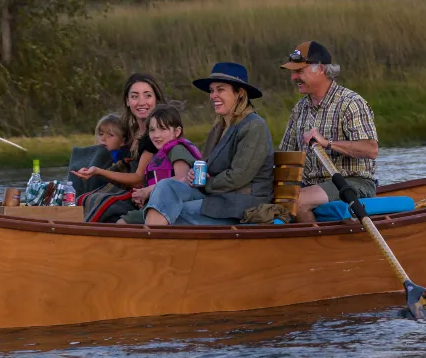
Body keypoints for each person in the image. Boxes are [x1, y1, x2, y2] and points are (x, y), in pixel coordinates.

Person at [142, 63, 273, 226]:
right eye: (211, 91)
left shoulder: (253, 126)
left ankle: (150, 244)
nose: (213, 95)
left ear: (239, 93)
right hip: (217, 197)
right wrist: (194, 174)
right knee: (166, 186)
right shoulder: (219, 128)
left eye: (220, 89)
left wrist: (204, 182)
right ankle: (151, 240)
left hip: (242, 204)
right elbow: (206, 166)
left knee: (172, 210)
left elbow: (238, 177)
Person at [277, 41, 379, 223]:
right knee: (272, 197)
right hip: (312, 185)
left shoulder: (350, 102)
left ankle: (317, 248)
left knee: (297, 201)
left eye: (299, 71)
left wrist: (326, 143)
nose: (293, 77)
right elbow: (286, 157)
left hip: (352, 183)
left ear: (321, 69)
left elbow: (371, 149)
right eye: (293, 72)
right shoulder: (300, 109)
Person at [76, 73, 167, 222]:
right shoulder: (130, 131)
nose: (141, 102)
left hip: (146, 193)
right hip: (125, 187)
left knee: (100, 202)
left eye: (148, 95)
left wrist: (99, 171)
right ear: (127, 101)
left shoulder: (158, 134)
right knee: (81, 196)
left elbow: (139, 179)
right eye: (135, 96)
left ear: (156, 99)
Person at [128, 106, 201, 207]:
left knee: (122, 221)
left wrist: (148, 191)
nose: (156, 135)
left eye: (162, 129)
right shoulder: (160, 154)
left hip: (172, 207)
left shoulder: (177, 150)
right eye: (152, 130)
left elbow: (182, 179)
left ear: (177, 132)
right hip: (160, 203)